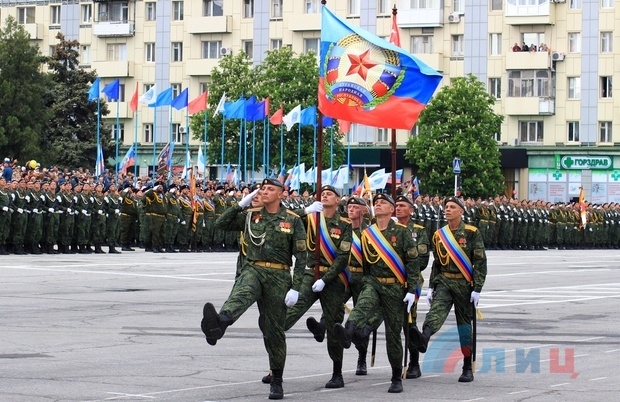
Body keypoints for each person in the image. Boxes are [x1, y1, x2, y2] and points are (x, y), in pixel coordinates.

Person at [201, 178, 307, 400]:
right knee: (243, 291)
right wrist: (240, 204)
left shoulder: (293, 220)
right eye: (263, 188)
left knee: (274, 330)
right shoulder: (251, 215)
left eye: (270, 189)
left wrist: (296, 287)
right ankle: (221, 321)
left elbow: (301, 256)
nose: (265, 191)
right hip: (254, 268)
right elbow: (220, 224)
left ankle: (277, 379)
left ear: (281, 193)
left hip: (279, 275)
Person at [333, 194, 420, 393]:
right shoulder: (368, 234)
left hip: (395, 286)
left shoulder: (402, 232)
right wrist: (366, 282)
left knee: (393, 334)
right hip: (373, 282)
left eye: (383, 203)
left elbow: (413, 263)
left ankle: (396, 376)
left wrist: (411, 289)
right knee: (362, 304)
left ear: (391, 210)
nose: (378, 204)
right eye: (377, 203)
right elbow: (364, 262)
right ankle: (348, 331)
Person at [411, 196, 487, 383]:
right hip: (444, 281)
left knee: (464, 326)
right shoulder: (439, 235)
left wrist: (477, 288)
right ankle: (424, 339)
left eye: (452, 207)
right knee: (434, 313)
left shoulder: (471, 232)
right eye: (446, 207)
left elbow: (480, 261)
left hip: (464, 284)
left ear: (461, 211)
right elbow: (437, 263)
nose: (448, 210)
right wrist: (431, 286)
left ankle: (467, 366)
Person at [284, 185, 352, 389]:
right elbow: (284, 223)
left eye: (329, 194)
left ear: (338, 200)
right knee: (287, 314)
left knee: (334, 326)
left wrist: (326, 279)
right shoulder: (311, 217)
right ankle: (274, 368)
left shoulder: (345, 224)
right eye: (322, 193)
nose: (325, 195)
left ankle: (337, 373)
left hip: (333, 278)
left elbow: (342, 257)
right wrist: (305, 211)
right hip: (310, 272)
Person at [394, 195, 431, 379]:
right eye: (397, 205)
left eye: (402, 206)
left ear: (411, 210)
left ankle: (414, 363)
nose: (398, 208)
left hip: (411, 281)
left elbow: (422, 260)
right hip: (390, 281)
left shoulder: (419, 231)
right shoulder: (388, 229)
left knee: (409, 322)